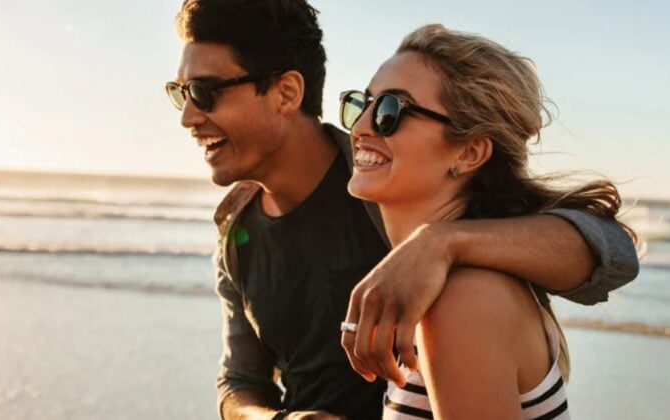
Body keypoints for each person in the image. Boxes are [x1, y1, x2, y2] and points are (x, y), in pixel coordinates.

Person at [165, 1, 638, 419]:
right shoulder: (236, 229)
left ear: (287, 92)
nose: (187, 116)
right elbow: (240, 379)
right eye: (181, 93)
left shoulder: (386, 187)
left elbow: (613, 252)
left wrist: (439, 245)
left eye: (205, 92)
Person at [340, 23, 635, 419]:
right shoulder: (457, 286)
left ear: (469, 153)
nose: (359, 128)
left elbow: (617, 250)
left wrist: (439, 241)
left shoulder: (463, 301)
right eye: (362, 104)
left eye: (390, 111)